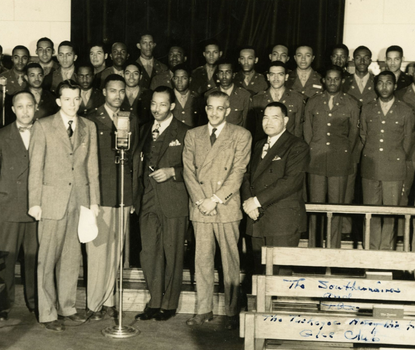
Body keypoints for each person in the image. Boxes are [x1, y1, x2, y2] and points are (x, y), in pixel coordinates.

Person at [28, 80, 100, 331]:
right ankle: (47, 313)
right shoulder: (43, 126)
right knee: (47, 259)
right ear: (58, 101)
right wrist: (35, 202)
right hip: (50, 202)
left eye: (76, 99)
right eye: (67, 99)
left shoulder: (88, 127)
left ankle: (67, 307)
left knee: (71, 257)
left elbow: (92, 166)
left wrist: (94, 201)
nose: (72, 103)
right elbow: (35, 167)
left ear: (81, 100)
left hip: (79, 200)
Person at [183, 91, 252, 330]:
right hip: (201, 207)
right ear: (205, 109)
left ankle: (232, 311)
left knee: (230, 261)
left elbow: (238, 172)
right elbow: (188, 172)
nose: (214, 113)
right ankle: (204, 309)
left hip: (226, 206)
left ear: (228, 110)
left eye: (220, 108)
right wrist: (202, 200)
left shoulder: (241, 135)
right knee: (201, 260)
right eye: (210, 108)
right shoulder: (192, 135)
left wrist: (215, 199)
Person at [132, 86, 189, 321]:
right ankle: (154, 301)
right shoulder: (145, 130)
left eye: (163, 104)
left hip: (174, 201)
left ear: (172, 106)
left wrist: (173, 172)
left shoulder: (186, 132)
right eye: (154, 104)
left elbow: (197, 168)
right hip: (148, 200)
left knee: (172, 253)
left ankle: (169, 303)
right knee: (149, 253)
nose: (157, 109)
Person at [86, 74, 137, 320]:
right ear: (104, 92)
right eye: (113, 91)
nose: (117, 95)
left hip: (122, 193)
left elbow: (135, 159)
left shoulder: (131, 119)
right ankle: (94, 304)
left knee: (116, 252)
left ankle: (109, 301)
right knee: (97, 252)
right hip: (99, 194)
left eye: (121, 91)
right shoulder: (91, 120)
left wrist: (132, 197)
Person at [241, 101, 309, 273]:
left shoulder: (297, 146)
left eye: (275, 118)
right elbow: (247, 176)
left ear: (285, 120)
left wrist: (256, 201)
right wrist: (249, 203)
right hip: (257, 218)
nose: (268, 122)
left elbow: (291, 181)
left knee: (280, 278)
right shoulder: (258, 145)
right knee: (259, 277)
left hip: (282, 222)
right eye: (265, 118)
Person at [303, 66, 360, 248]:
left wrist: (342, 153)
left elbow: (353, 135)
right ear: (324, 81)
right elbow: (308, 131)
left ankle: (333, 250)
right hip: (316, 161)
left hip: (339, 161)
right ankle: (314, 250)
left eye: (336, 79)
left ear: (342, 81)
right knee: (315, 208)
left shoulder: (351, 103)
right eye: (329, 78)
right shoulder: (313, 102)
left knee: (336, 208)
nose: (333, 82)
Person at [360, 71, 414, 250]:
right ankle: (371, 253)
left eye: (389, 83)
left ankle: (385, 253)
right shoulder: (367, 108)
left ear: (395, 86)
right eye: (380, 83)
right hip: (370, 167)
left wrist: (394, 159)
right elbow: (363, 136)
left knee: (391, 213)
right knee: (371, 212)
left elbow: (407, 143)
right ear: (375, 86)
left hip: (394, 170)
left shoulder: (406, 110)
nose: (384, 87)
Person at [0, 91, 38, 321]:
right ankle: (3, 306)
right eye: (20, 106)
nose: (25, 111)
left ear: (36, 107)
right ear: (13, 110)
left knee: (34, 258)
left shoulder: (45, 133)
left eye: (29, 106)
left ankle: (34, 303)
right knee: (6, 260)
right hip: (8, 206)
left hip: (36, 208)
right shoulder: (2, 135)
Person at [249, 61, 305, 143]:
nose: (276, 78)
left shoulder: (297, 99)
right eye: (272, 74)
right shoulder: (257, 99)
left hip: (288, 147)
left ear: (286, 77)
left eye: (280, 74)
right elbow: (254, 129)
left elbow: (298, 130)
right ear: (268, 77)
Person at [205, 60, 251, 127]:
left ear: (233, 75)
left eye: (227, 72)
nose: (224, 76)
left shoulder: (244, 95)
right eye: (221, 72)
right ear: (217, 75)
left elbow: (246, 123)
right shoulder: (209, 95)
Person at [120, 61, 152, 125]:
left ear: (140, 77)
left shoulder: (149, 94)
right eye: (127, 73)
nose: (131, 77)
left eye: (135, 74)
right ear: (123, 75)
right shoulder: (118, 93)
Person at [171, 63, 203, 128]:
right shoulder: (168, 97)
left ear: (190, 80)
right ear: (173, 79)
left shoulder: (197, 98)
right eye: (176, 78)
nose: (179, 81)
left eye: (184, 78)